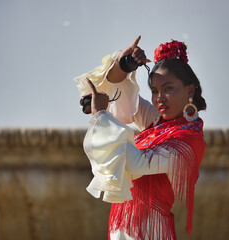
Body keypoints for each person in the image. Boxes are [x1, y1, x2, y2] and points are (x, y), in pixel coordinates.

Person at [74, 36, 206, 240]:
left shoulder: (189, 140)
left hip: (151, 231)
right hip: (123, 229)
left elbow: (136, 165)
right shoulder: (157, 123)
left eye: (168, 88)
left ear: (190, 90)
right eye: (154, 91)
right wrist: (125, 64)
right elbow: (123, 97)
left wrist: (102, 115)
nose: (160, 97)